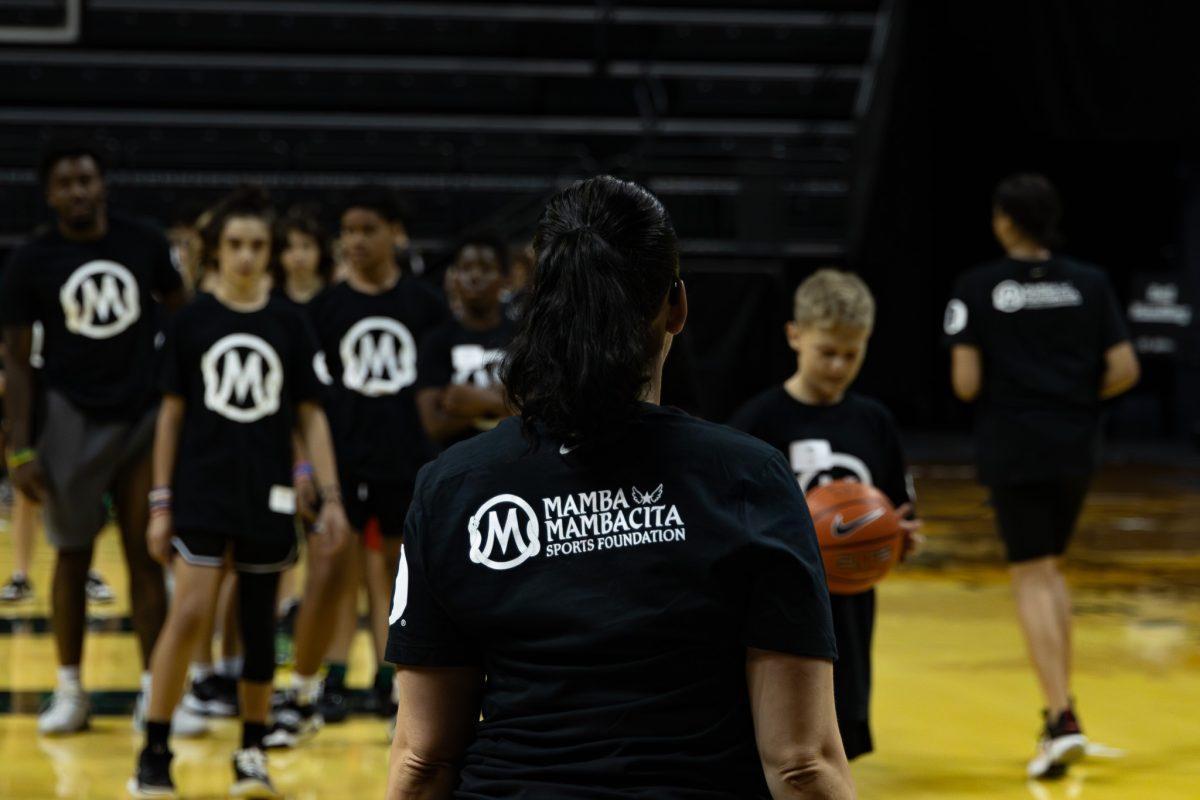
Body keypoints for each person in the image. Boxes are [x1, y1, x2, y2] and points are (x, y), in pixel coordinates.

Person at [385, 175, 855, 800]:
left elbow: (422, 759)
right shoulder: (750, 479)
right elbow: (800, 765)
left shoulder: (452, 487)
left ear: (539, 303)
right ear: (677, 307)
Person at [127, 188, 349, 798]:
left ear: (270, 254)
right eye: (235, 245)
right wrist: (161, 501)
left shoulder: (289, 323)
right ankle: (154, 748)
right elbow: (170, 417)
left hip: (268, 495)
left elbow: (312, 417)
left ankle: (251, 750)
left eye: (256, 245)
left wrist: (328, 496)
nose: (246, 256)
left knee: (258, 626)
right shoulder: (192, 321)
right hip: (200, 493)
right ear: (216, 252)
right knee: (191, 611)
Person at [0, 142, 202, 736]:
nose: (78, 192)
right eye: (65, 183)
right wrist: (19, 447)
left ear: (103, 185)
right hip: (69, 416)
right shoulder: (31, 260)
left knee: (147, 554)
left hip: (141, 414)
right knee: (72, 554)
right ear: (50, 194)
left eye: (86, 180)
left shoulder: (142, 243)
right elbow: (14, 362)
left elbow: (180, 309)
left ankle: (154, 691)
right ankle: (70, 689)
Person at [943, 173, 1140, 779]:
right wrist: (1074, 401)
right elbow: (1125, 368)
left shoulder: (976, 286)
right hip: (1075, 445)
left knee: (1030, 575)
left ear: (1005, 221)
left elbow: (966, 384)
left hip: (1015, 446)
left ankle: (1060, 720)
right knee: (1051, 569)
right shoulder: (1089, 282)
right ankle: (1065, 710)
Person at [268, 186, 447, 747]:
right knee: (327, 573)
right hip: (340, 467)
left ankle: (397, 690)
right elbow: (304, 405)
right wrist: (303, 469)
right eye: (348, 230)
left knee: (400, 580)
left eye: (368, 229)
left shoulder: (424, 305)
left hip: (409, 463)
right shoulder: (325, 310)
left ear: (395, 232)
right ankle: (308, 688)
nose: (356, 241)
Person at [730, 268, 922, 761]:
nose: (838, 366)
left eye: (851, 354)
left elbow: (895, 515)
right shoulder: (757, 421)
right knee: (775, 742)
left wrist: (899, 540)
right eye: (826, 352)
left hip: (850, 614)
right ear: (795, 336)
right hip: (778, 606)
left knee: (839, 739)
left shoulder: (875, 423)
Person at [415, 234, 515, 447]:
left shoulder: (524, 336)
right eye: (465, 268)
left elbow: (540, 412)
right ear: (454, 277)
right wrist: (506, 405)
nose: (475, 276)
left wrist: (468, 400)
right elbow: (434, 426)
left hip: (515, 463)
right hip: (457, 466)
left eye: (486, 268)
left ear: (506, 278)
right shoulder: (435, 341)